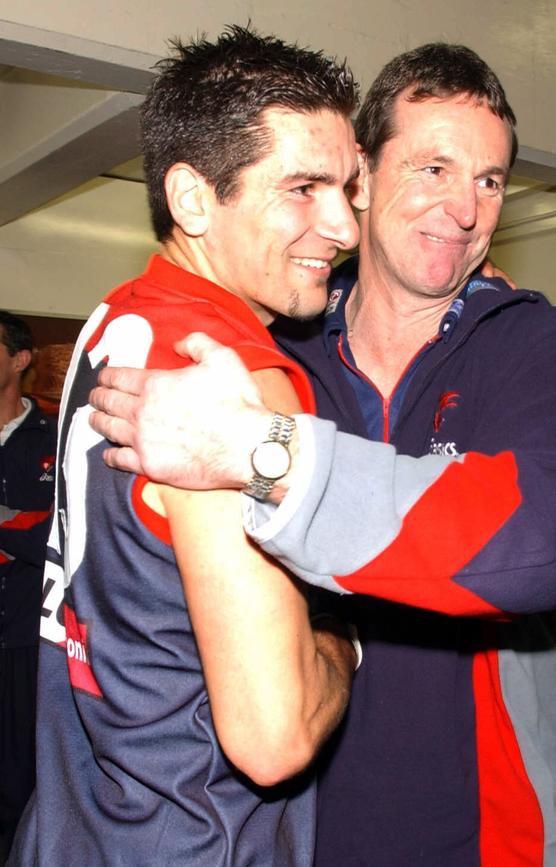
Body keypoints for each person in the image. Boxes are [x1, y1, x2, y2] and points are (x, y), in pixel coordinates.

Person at [90, 44, 556, 867]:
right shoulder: (275, 349)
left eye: (490, 180)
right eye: (434, 168)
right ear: (362, 180)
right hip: (297, 830)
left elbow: (539, 542)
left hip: (490, 833)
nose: (465, 207)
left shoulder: (547, 346)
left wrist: (263, 454)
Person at [8, 27, 362, 867]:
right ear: (194, 199)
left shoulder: (117, 320)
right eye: (304, 188)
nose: (344, 223)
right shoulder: (233, 379)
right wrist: (341, 641)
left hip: (78, 825)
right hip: (196, 839)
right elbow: (273, 735)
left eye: (348, 187)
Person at [0, 312, 55, 864]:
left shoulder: (57, 434)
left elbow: (61, 532)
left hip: (28, 639)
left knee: (23, 786)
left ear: (19, 360)